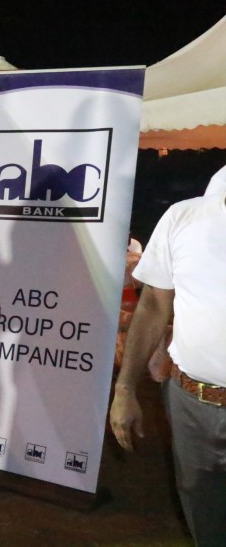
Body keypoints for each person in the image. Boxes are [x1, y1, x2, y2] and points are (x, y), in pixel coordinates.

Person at [110, 168, 226, 545]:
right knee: (203, 517)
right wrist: (125, 388)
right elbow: (154, 306)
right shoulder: (184, 216)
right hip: (191, 403)